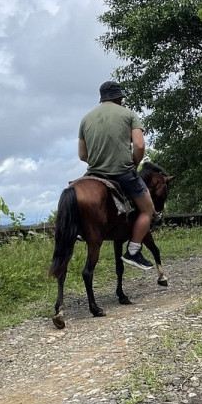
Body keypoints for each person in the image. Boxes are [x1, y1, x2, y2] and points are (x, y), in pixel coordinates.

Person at [77, 80, 155, 271]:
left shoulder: (86, 118)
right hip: (122, 172)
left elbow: (82, 155)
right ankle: (134, 251)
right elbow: (139, 145)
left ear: (102, 98)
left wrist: (98, 163)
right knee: (147, 209)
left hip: (94, 173)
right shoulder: (129, 114)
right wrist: (134, 165)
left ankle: (80, 229)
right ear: (119, 97)